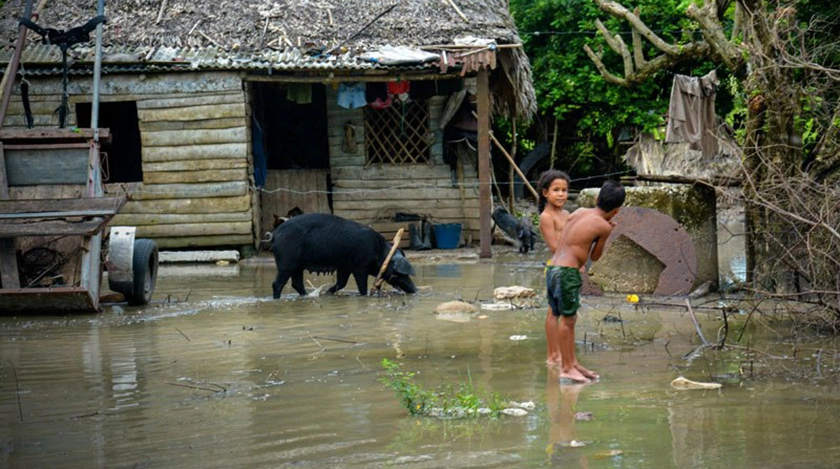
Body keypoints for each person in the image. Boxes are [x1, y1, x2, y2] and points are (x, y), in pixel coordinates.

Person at [547, 179, 626, 383]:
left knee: (562, 316)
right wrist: (607, 233)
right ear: (616, 211)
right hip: (567, 272)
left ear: (596, 198)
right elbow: (596, 256)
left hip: (553, 268)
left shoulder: (579, 211)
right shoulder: (603, 226)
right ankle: (566, 368)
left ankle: (572, 363)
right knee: (568, 319)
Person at [537, 170, 571, 365]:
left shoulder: (567, 214)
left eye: (564, 190)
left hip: (568, 265)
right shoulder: (546, 217)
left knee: (564, 312)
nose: (561, 194)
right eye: (556, 190)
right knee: (554, 311)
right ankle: (552, 354)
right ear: (545, 193)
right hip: (558, 267)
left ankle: (560, 353)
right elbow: (553, 246)